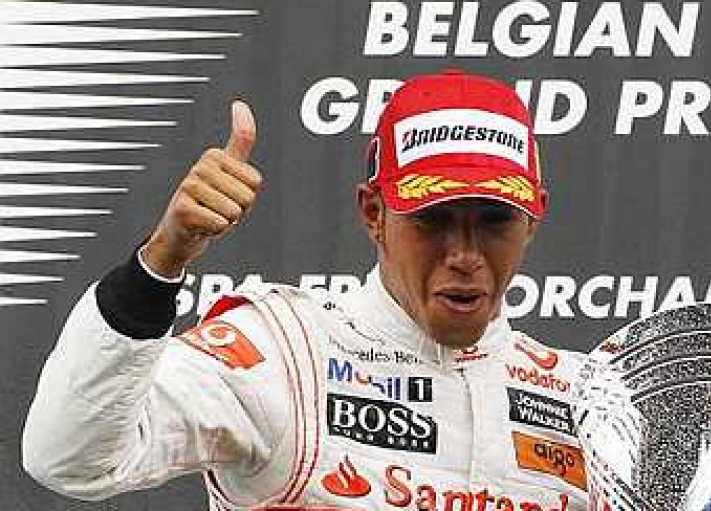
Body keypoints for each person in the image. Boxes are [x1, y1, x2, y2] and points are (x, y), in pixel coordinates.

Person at [22, 70, 588, 511]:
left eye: (494, 220)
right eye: (432, 219)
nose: (464, 255)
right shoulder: (282, 350)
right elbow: (69, 459)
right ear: (374, 213)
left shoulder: (586, 400)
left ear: (532, 220)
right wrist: (160, 261)